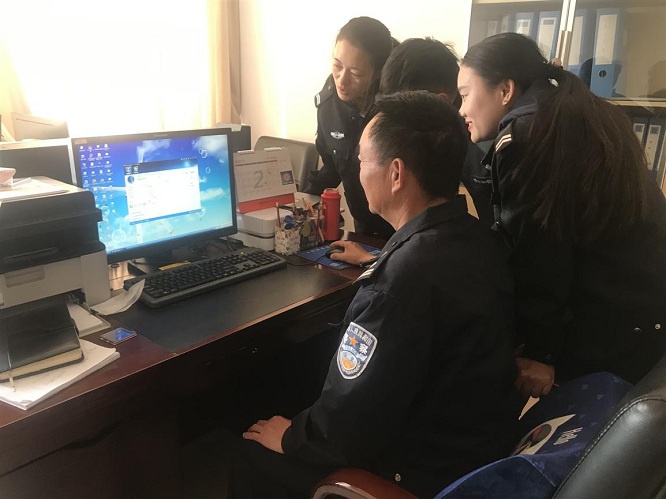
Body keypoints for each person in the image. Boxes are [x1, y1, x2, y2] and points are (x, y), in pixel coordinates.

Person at [233, 91, 520, 498]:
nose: (357, 170)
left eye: (363, 160)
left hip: (414, 469)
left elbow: (346, 428)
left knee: (252, 454)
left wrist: (292, 437)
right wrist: (380, 258)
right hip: (471, 445)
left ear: (396, 173)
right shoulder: (475, 237)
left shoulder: (398, 283)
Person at [457, 33, 666, 398]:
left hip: (605, 324)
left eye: (464, 94)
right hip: (642, 309)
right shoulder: (580, 111)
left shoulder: (524, 136)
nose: (461, 110)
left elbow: (539, 253)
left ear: (505, 90)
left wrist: (542, 352)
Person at [328, 37, 494, 266]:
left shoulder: (480, 149)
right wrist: (378, 263)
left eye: (405, 110)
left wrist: (389, 268)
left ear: (440, 101)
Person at [303, 16, 395, 240]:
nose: (341, 80)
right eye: (337, 65)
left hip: (401, 230)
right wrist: (304, 201)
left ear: (378, 72)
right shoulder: (329, 102)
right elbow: (333, 165)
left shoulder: (395, 108)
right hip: (363, 227)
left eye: (355, 74)